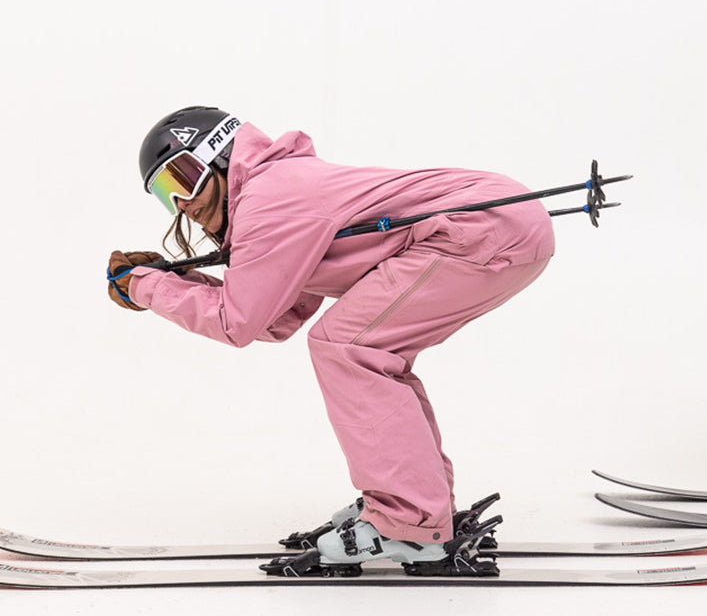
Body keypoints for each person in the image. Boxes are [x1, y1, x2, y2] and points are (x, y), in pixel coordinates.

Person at [108, 106, 555, 572]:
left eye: (185, 177)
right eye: (165, 192)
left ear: (219, 157)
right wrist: (183, 282)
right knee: (366, 350)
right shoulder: (273, 193)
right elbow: (274, 319)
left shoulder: (268, 199)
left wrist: (145, 285)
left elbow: (234, 322)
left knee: (347, 347)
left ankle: (410, 523)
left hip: (483, 229)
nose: (182, 202)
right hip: (504, 225)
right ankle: (419, 512)